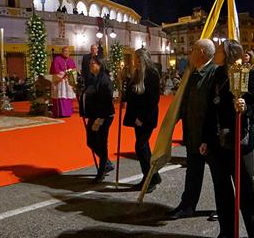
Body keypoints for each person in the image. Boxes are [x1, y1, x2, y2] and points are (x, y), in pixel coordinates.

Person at [200, 39, 254, 238]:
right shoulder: (217, 73)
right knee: (222, 190)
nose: (217, 53)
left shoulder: (250, 73)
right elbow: (209, 108)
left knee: (246, 189)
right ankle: (227, 233)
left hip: (240, 139)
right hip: (217, 141)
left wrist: (245, 107)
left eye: (220, 50)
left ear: (229, 53)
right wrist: (205, 139)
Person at [167, 39, 217, 219]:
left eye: (193, 49)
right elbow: (186, 102)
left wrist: (208, 137)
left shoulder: (215, 73)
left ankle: (224, 207)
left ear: (202, 52)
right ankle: (187, 205)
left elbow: (214, 109)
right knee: (193, 172)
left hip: (209, 136)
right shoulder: (193, 74)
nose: (190, 52)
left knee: (220, 176)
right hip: (193, 134)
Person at [123, 48, 162, 192]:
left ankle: (150, 179)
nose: (135, 62)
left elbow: (153, 99)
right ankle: (152, 176)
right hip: (136, 117)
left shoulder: (151, 74)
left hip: (146, 117)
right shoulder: (136, 73)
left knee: (140, 147)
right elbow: (131, 95)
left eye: (137, 59)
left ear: (144, 59)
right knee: (143, 148)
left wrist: (143, 118)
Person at [83, 55, 115, 182]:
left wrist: (99, 119)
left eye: (93, 64)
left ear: (100, 65)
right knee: (90, 141)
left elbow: (106, 102)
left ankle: (101, 171)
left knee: (102, 143)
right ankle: (106, 163)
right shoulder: (93, 79)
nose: (91, 66)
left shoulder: (104, 80)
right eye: (90, 64)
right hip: (93, 114)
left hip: (103, 116)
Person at [50, 46, 77, 118]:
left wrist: (70, 74)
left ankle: (68, 112)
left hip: (68, 82)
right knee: (60, 95)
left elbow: (74, 70)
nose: (66, 52)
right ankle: (60, 113)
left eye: (68, 51)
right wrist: (64, 74)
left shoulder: (71, 60)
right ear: (62, 52)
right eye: (65, 51)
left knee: (68, 96)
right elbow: (55, 70)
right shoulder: (57, 59)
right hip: (60, 82)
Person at [79, 45, 100, 117]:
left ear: (97, 50)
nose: (93, 50)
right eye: (92, 49)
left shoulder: (100, 57)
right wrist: (84, 77)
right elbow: (83, 68)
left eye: (95, 48)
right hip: (88, 78)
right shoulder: (85, 57)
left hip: (97, 78)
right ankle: (88, 107)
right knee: (88, 93)